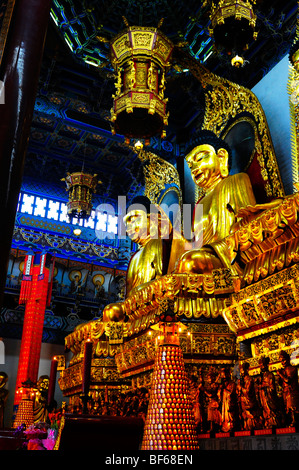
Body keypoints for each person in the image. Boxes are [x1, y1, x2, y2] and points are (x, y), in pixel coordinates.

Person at [175, 130, 281, 277]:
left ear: (221, 157)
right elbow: (198, 244)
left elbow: (247, 225)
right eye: (190, 165)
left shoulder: (236, 181)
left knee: (189, 262)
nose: (194, 169)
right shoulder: (199, 204)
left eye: (200, 158)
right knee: (180, 266)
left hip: (229, 254)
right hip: (206, 257)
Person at [103, 195, 187, 322]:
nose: (130, 226)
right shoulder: (134, 257)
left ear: (152, 219)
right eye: (127, 222)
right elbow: (130, 294)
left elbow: (161, 281)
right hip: (136, 306)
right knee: (110, 312)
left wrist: (170, 233)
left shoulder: (157, 243)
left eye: (135, 218)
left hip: (152, 300)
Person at [256, 356, 283, 428]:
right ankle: (267, 422)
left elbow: (271, 387)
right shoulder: (262, 376)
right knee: (265, 411)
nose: (261, 366)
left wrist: (263, 385)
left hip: (269, 396)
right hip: (264, 396)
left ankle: (273, 422)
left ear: (267, 365)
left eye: (262, 365)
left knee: (271, 411)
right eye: (260, 365)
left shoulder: (270, 375)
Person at [237, 361, 263, 431]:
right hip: (243, 403)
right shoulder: (242, 380)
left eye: (242, 370)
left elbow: (247, 391)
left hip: (249, 402)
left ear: (246, 370)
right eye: (240, 371)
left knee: (252, 419)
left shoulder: (249, 379)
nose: (241, 372)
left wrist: (241, 388)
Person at [277, 350, 299, 426]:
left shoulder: (291, 369)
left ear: (288, 359)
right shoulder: (284, 370)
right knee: (287, 409)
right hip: (285, 391)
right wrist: (279, 379)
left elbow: (287, 380)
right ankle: (289, 421)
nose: (282, 363)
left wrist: (280, 374)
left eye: (283, 360)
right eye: (281, 361)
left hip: (292, 392)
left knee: (292, 408)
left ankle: (295, 421)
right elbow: (281, 383)